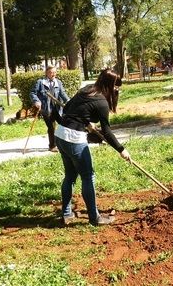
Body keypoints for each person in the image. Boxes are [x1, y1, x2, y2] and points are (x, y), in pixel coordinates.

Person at [54, 69, 131, 226]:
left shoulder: (87, 89)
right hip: (74, 138)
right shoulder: (102, 102)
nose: (117, 90)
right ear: (111, 85)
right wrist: (121, 149)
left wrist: (86, 122)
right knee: (88, 176)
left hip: (60, 134)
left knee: (70, 176)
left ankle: (66, 214)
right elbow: (107, 132)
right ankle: (94, 218)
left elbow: (67, 108)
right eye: (117, 87)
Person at [30, 65, 70, 152]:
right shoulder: (41, 82)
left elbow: (62, 93)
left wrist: (68, 101)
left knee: (64, 125)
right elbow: (33, 93)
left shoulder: (58, 82)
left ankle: (65, 143)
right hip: (46, 109)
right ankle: (52, 146)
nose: (53, 74)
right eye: (51, 72)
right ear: (46, 73)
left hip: (58, 108)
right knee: (51, 127)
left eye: (55, 72)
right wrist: (36, 101)